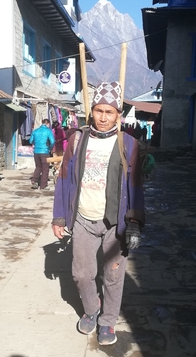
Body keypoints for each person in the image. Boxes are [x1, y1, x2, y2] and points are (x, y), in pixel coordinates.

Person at [52, 81, 145, 346]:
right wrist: (59, 216)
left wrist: (135, 222)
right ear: (91, 111)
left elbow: (135, 185)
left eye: (110, 112)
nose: (103, 117)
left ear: (118, 115)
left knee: (114, 274)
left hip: (115, 222)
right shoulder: (77, 140)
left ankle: (108, 321)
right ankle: (92, 310)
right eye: (99, 111)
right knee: (81, 273)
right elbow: (64, 178)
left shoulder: (128, 143)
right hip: (83, 217)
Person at [29, 118, 55, 190]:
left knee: (38, 167)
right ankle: (43, 185)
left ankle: (34, 180)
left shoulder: (35, 131)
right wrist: (50, 148)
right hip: (45, 152)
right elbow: (52, 141)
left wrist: (36, 144)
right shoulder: (48, 131)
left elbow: (30, 141)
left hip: (36, 152)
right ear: (48, 124)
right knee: (45, 169)